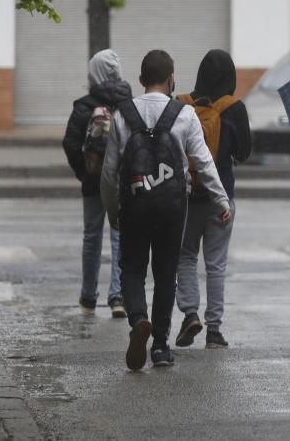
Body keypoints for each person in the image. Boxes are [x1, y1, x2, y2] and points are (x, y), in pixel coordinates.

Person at [101, 50, 232, 371]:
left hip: (134, 202)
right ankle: (160, 346)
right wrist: (221, 200)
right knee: (165, 273)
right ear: (172, 78)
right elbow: (203, 162)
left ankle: (138, 320)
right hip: (172, 207)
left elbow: (109, 171)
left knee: (131, 268)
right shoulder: (183, 115)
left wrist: (112, 210)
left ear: (142, 80)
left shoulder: (123, 115)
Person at [174, 49, 251, 350]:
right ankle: (215, 332)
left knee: (186, 256)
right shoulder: (234, 109)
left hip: (188, 195)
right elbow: (244, 153)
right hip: (221, 196)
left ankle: (190, 313)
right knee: (216, 264)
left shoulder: (181, 106)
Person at [63, 49, 133, 318]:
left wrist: (84, 172)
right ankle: (117, 296)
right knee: (120, 236)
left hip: (94, 181)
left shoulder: (84, 105)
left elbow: (70, 142)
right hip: (123, 182)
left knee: (92, 236)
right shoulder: (130, 104)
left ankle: (88, 297)